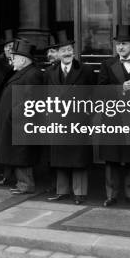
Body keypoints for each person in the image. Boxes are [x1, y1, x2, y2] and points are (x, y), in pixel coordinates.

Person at [97, 25, 130, 207]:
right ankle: (111, 195)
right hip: (113, 119)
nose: (120, 47)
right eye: (118, 44)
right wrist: (120, 89)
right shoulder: (107, 65)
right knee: (112, 158)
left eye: (124, 44)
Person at [46, 30, 96, 205]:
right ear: (57, 54)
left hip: (78, 121)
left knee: (78, 158)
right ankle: (62, 191)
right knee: (60, 156)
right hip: (58, 121)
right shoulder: (50, 72)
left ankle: (79, 193)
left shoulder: (85, 70)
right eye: (63, 50)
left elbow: (94, 95)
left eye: (69, 49)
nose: (66, 53)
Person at [0, 39, 43, 194]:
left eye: (14, 57)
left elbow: (31, 100)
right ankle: (21, 183)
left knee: (22, 155)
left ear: (23, 60)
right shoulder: (23, 72)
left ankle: (26, 185)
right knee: (17, 154)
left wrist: (16, 114)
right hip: (15, 121)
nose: (12, 60)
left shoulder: (32, 74)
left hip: (22, 122)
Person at [0, 29, 19, 184]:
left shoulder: (21, 64)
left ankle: (16, 174)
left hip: (17, 105)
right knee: (3, 140)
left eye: (12, 47)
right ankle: (6, 173)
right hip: (2, 105)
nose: (9, 50)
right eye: (6, 47)